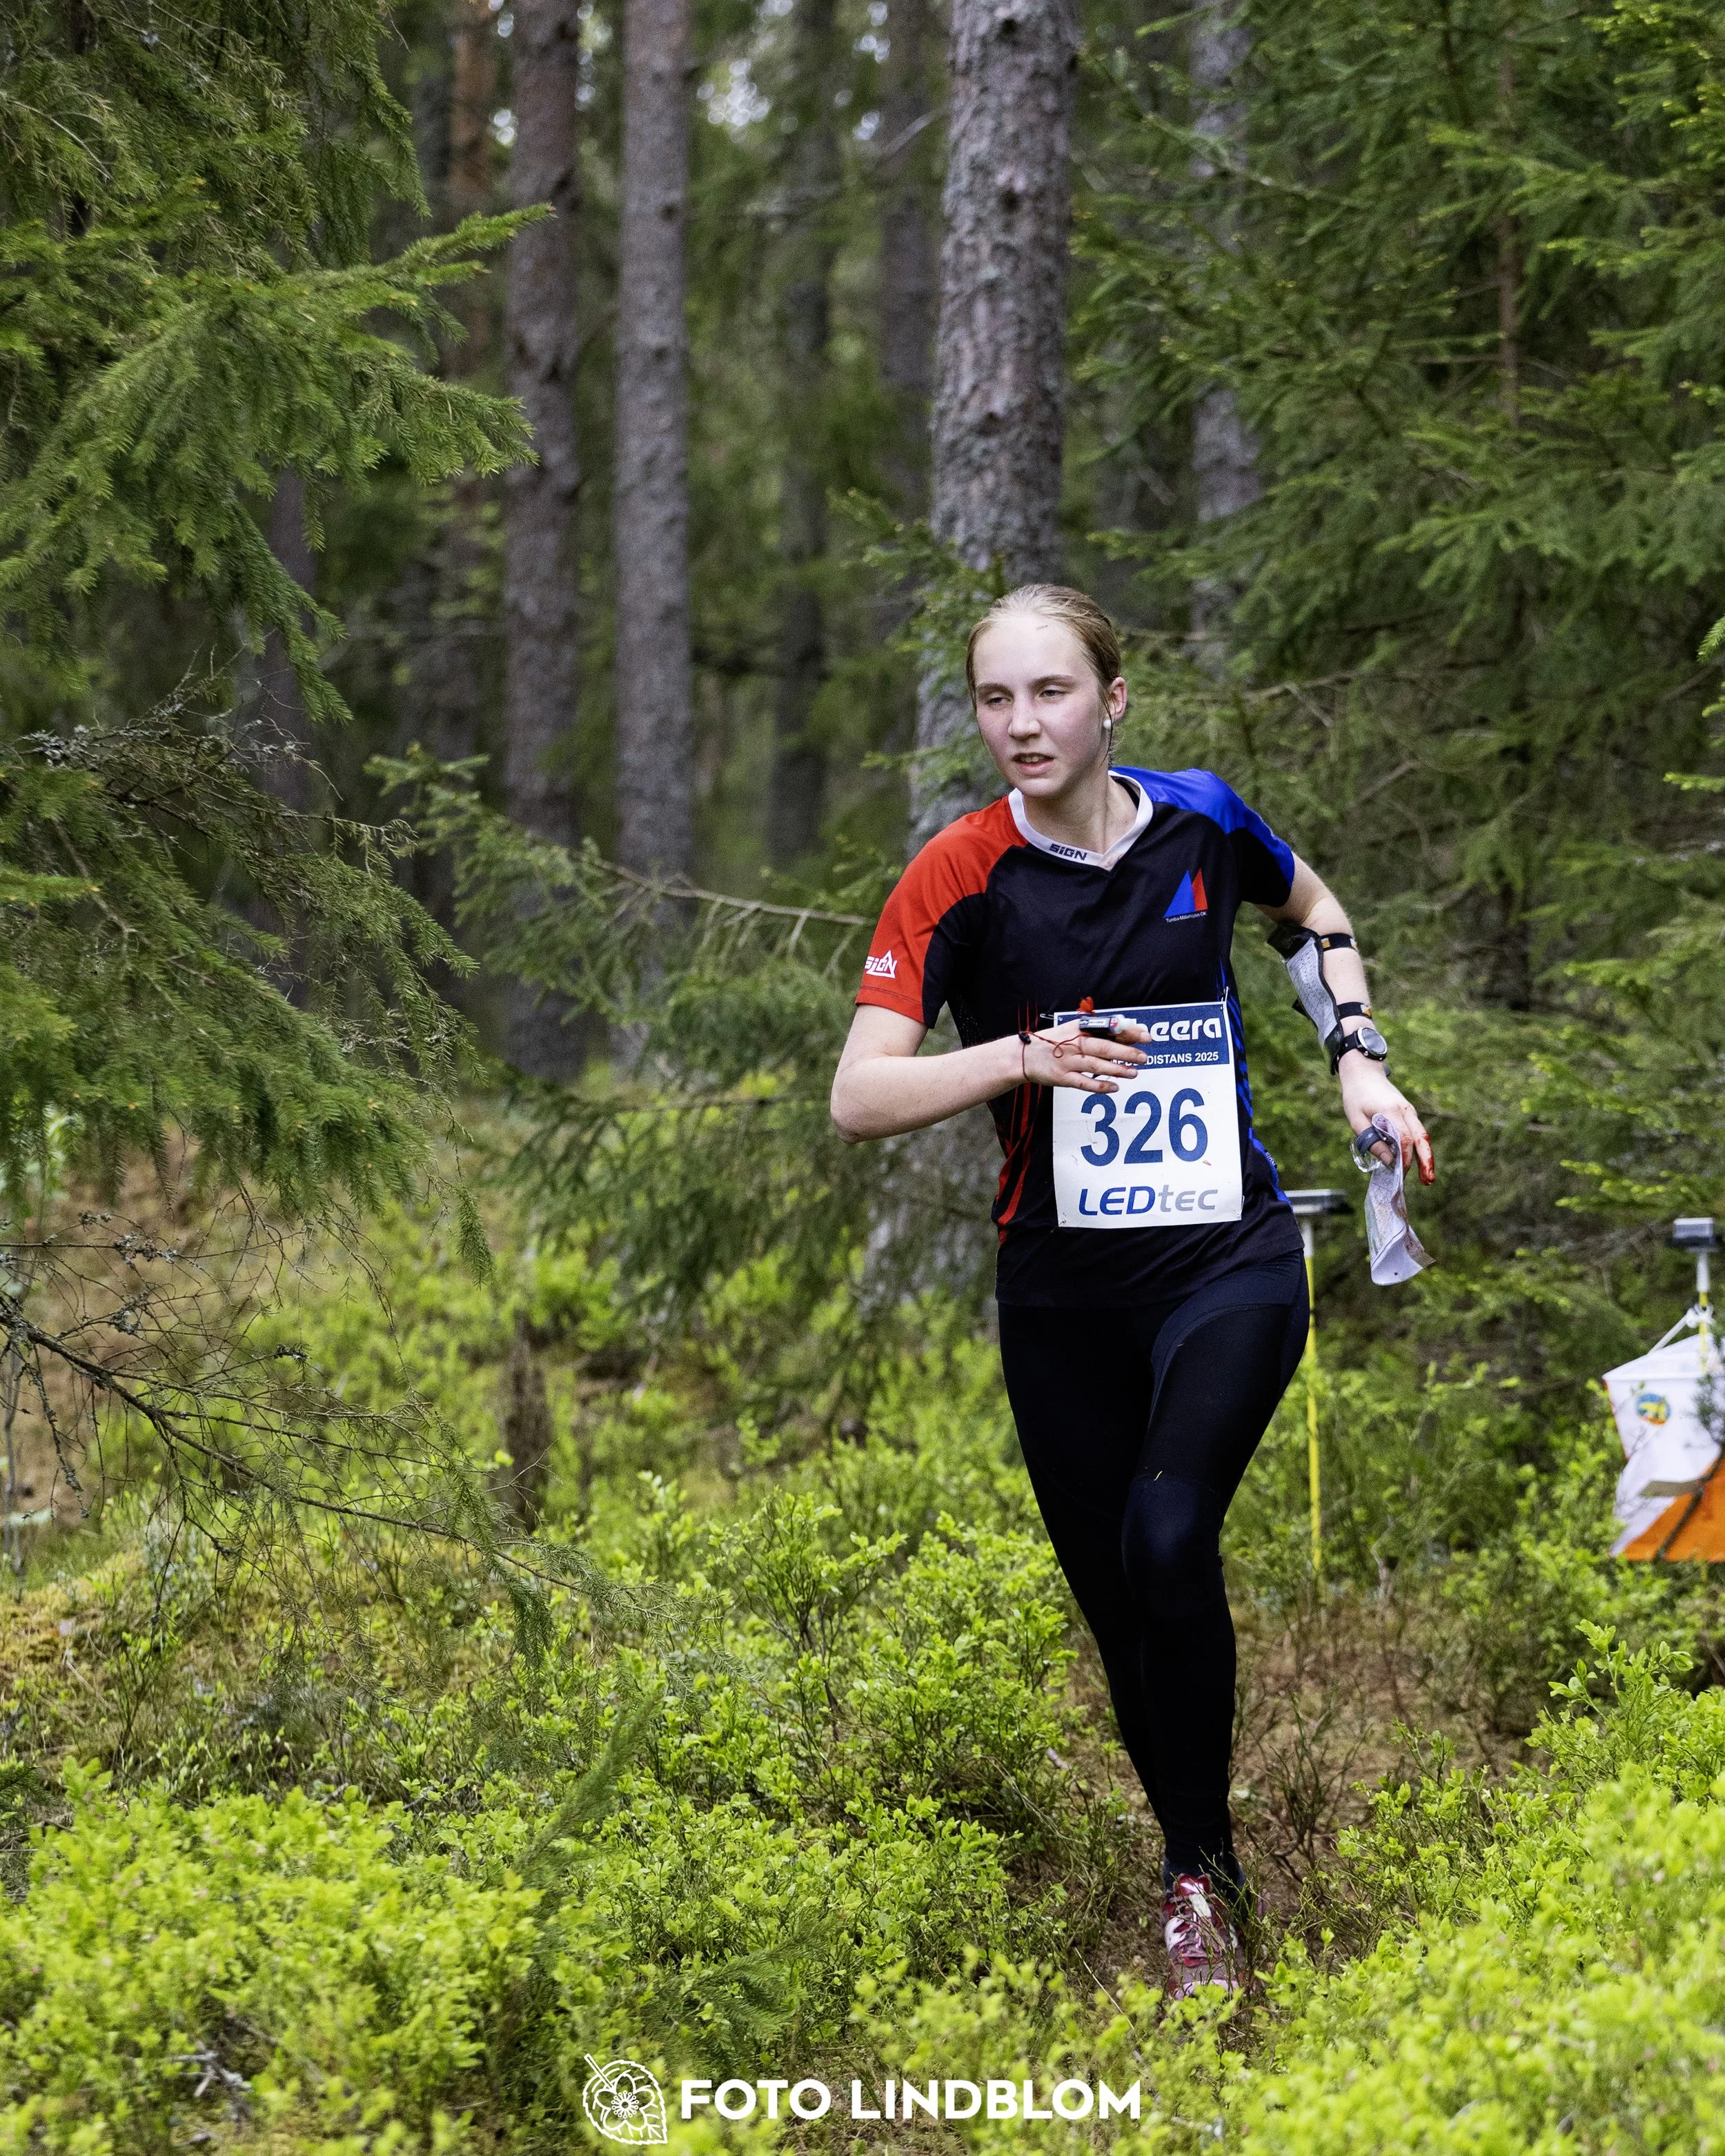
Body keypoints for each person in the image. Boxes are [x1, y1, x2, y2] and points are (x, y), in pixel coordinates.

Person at [829, 584, 1433, 1995]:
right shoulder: (958, 873)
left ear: (1112, 700)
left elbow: (1313, 913)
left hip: (1223, 1251)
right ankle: (1193, 1863)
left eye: (1049, 692)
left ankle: (1199, 1890)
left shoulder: (1202, 819)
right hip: (1059, 1289)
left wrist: (1355, 1051)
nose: (1021, 724)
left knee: (1167, 1537)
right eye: (995, 698)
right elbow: (859, 1092)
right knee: (1117, 1605)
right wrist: (1019, 1058)